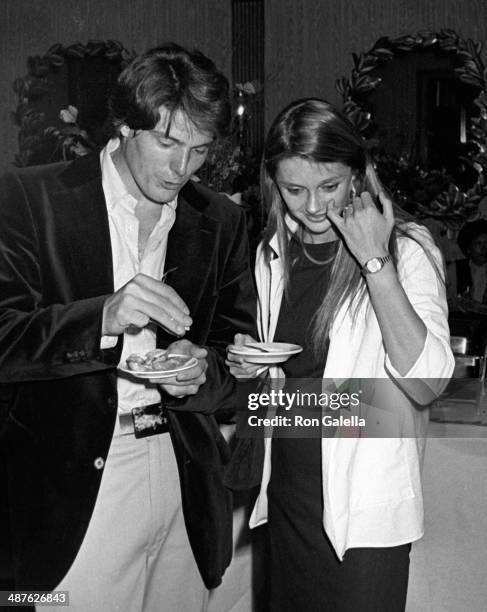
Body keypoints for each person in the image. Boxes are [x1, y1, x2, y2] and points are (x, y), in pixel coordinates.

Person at [0, 43, 256, 611]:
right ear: (123, 126)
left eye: (199, 149)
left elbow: (243, 363)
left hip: (182, 473)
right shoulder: (26, 197)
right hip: (71, 480)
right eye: (167, 143)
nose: (182, 168)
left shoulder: (220, 219)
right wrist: (103, 317)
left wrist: (200, 372)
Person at [226, 98, 454, 611]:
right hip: (288, 495)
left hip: (365, 509)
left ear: (357, 175)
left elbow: (427, 383)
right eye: (294, 190)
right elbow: (288, 387)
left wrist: (375, 261)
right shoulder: (273, 254)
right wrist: (250, 369)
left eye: (328, 187)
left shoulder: (407, 249)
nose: (312, 208)